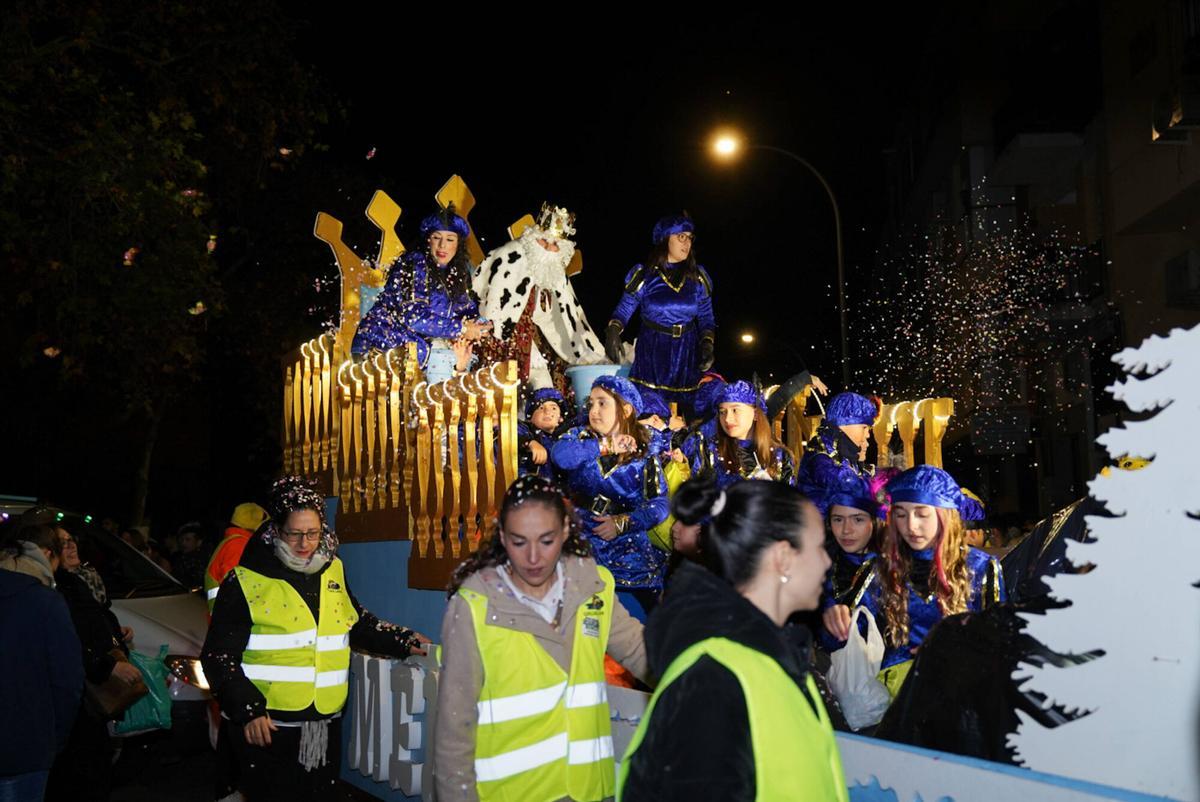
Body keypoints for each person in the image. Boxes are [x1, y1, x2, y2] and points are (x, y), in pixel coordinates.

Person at [617, 479, 847, 802]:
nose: (826, 561)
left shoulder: (777, 657)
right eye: (818, 546)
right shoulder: (712, 682)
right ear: (783, 557)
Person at [201, 477, 429, 801]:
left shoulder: (332, 569)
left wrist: (400, 639)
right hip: (268, 727)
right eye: (294, 533)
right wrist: (247, 709)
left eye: (313, 532)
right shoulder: (246, 580)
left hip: (321, 726)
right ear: (276, 530)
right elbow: (217, 655)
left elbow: (355, 622)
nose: (304, 543)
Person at [434, 475, 648, 802]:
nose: (533, 557)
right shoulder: (473, 608)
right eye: (519, 542)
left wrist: (708, 680)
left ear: (565, 531)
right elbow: (454, 730)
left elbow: (643, 652)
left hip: (591, 791)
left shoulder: (594, 588)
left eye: (546, 541)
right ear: (502, 537)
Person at [876, 465, 1006, 696]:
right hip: (894, 698)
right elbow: (851, 641)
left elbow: (1000, 642)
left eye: (922, 514)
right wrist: (835, 616)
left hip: (959, 694)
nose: (911, 526)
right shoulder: (882, 568)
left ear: (945, 515)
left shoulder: (980, 567)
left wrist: (951, 651)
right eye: (901, 514)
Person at [551, 375, 669, 621]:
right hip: (579, 538)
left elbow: (660, 504)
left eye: (602, 403)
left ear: (626, 410)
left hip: (627, 547)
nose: (593, 410)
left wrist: (623, 523)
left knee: (637, 619)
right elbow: (560, 457)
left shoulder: (645, 452)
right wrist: (605, 446)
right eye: (591, 403)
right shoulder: (580, 437)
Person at [473, 204, 607, 391]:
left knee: (555, 383)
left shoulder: (555, 270)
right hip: (504, 341)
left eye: (555, 245)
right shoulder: (510, 256)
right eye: (544, 241)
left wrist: (591, 353)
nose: (548, 249)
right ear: (533, 237)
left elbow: (570, 316)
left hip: (541, 341)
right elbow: (490, 306)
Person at [352, 202, 491, 382]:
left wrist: (482, 325)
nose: (442, 245)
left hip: (419, 355)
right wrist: (462, 329)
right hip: (381, 348)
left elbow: (468, 311)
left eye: (450, 239)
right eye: (436, 237)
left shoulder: (458, 274)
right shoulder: (414, 264)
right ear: (428, 240)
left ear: (459, 244)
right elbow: (414, 317)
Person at [606, 214, 715, 413]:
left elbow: (706, 317)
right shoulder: (645, 275)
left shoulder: (697, 278)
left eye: (690, 237)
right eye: (681, 237)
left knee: (691, 413)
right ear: (665, 239)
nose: (687, 243)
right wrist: (613, 330)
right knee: (651, 412)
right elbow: (625, 308)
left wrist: (707, 343)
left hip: (687, 353)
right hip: (653, 353)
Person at [0, 558, 82, 802]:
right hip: (23, 749)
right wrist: (52, 739)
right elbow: (68, 681)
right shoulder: (41, 601)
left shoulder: (42, 600)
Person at [813, 472, 884, 653]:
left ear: (874, 521)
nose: (846, 530)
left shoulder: (892, 568)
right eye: (838, 519)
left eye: (858, 519)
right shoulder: (818, 563)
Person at [690, 380, 796, 488]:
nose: (727, 419)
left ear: (755, 413)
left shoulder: (781, 457)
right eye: (722, 412)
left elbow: (790, 497)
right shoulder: (709, 451)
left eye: (735, 410)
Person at [797, 391, 877, 502]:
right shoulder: (820, 456)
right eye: (864, 427)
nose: (868, 435)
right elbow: (845, 484)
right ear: (843, 425)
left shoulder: (846, 455)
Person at [204, 502, 270, 615]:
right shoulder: (239, 545)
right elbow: (235, 587)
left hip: (224, 615)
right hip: (228, 616)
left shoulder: (235, 542)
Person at [518, 387, 566, 482]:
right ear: (531, 418)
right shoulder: (527, 429)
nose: (547, 412)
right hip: (530, 485)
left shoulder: (565, 437)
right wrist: (529, 442)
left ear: (560, 418)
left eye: (554, 408)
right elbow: (511, 432)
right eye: (541, 408)